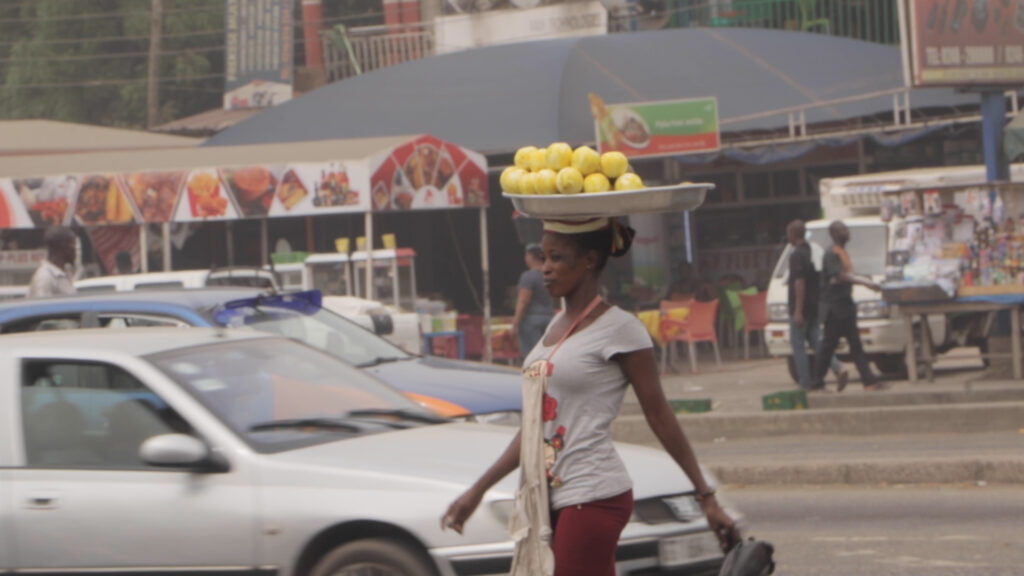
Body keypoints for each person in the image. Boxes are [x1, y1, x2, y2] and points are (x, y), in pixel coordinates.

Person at [442, 218, 738, 576]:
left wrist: (706, 496)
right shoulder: (555, 327)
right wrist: (476, 492)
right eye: (544, 257)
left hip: (594, 494)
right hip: (551, 496)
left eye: (557, 258)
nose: (546, 268)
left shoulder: (621, 329)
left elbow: (659, 416)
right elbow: (535, 428)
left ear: (590, 261)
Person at [811, 220, 885, 392]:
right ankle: (815, 383)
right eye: (843, 229)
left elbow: (845, 275)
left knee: (854, 345)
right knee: (828, 347)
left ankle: (869, 382)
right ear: (835, 234)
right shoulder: (831, 253)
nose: (847, 232)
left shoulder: (842, 252)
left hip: (845, 305)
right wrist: (866, 283)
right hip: (835, 308)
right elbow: (839, 277)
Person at [786, 220, 848, 392]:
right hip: (814, 306)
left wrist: (798, 310)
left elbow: (799, 282)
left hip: (801, 308)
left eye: (788, 233)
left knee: (798, 345)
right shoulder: (813, 251)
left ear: (793, 234)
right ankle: (838, 368)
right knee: (817, 342)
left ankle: (806, 383)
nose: (787, 236)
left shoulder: (796, 255)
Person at [512, 243, 555, 357]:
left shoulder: (528, 277)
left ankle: (533, 374)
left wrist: (515, 323)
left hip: (531, 320)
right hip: (549, 318)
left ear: (529, 256)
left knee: (532, 356)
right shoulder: (550, 275)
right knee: (546, 354)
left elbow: (523, 301)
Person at [27, 227, 77, 299]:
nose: (75, 251)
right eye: (73, 245)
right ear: (64, 246)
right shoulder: (45, 277)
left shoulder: (64, 274)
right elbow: (42, 308)